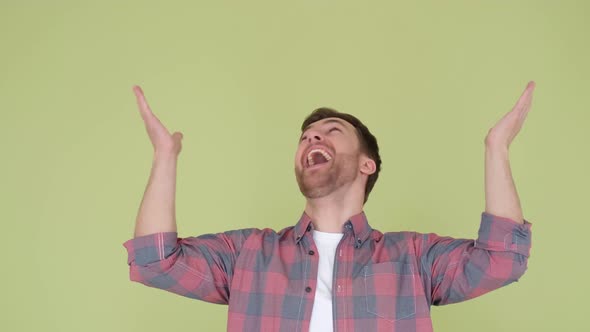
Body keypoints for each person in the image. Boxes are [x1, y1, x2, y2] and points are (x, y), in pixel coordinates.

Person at [123, 82, 534, 332]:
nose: (312, 140)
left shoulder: (413, 258)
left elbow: (502, 261)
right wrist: (165, 155)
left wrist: (496, 149)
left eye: (331, 132)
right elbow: (155, 262)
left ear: (366, 165)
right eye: (305, 137)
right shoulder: (247, 255)